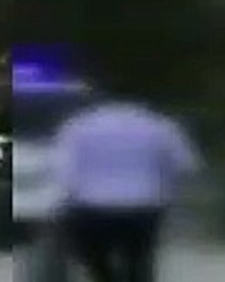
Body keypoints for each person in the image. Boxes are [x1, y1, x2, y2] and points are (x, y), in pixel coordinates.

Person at [52, 88, 200, 282]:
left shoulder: (78, 125)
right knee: (139, 259)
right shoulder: (161, 125)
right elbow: (185, 165)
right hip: (144, 204)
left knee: (94, 257)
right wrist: (167, 187)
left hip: (91, 205)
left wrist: (64, 199)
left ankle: (105, 276)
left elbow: (63, 169)